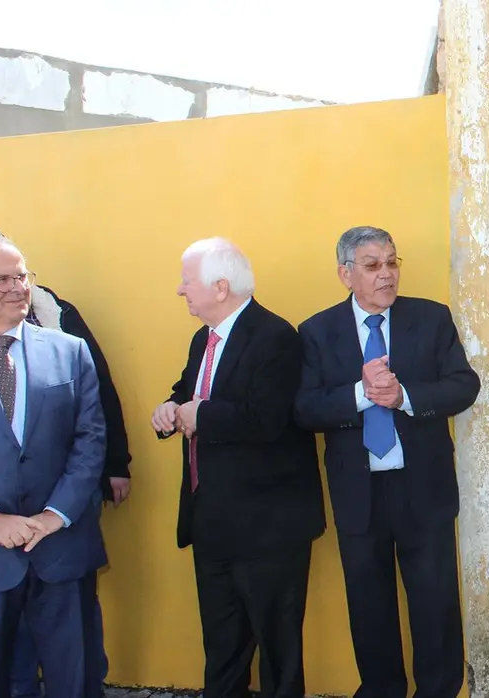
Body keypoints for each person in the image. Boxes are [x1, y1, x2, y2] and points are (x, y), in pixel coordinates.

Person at [295, 225, 480, 698]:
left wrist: (405, 396)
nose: (387, 274)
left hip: (423, 488)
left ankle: (438, 692)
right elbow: (304, 408)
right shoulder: (317, 331)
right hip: (360, 492)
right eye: (373, 265)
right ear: (345, 274)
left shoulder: (431, 318)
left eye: (393, 262)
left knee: (434, 603)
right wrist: (360, 395)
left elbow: (464, 385)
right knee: (369, 605)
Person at [151, 238, 325, 698]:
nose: (179, 290)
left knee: (277, 651)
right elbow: (187, 389)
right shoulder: (202, 339)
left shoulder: (275, 337)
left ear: (220, 286)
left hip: (268, 528)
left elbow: (267, 417)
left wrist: (198, 414)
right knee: (222, 647)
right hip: (213, 521)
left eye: (187, 282)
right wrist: (170, 409)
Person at [0, 230, 132, 698]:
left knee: (74, 680)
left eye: (21, 276)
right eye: (1, 280)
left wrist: (54, 516)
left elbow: (90, 439)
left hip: (62, 550)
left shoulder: (68, 351)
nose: (17, 288)